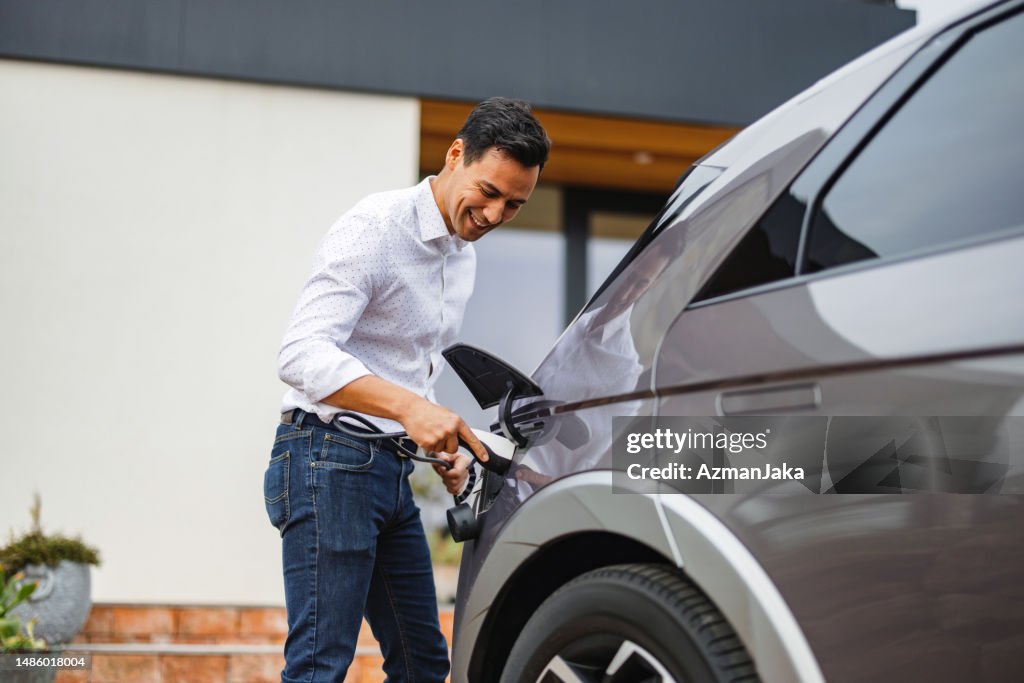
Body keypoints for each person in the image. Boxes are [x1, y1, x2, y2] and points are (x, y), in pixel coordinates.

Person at [263, 97, 550, 682]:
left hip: (389, 473)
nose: (496, 214)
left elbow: (406, 368)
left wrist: (436, 440)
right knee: (320, 666)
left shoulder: (461, 256)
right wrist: (411, 409)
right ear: (454, 155)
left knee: (423, 665)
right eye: (489, 192)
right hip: (326, 461)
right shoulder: (375, 228)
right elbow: (300, 354)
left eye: (515, 205)